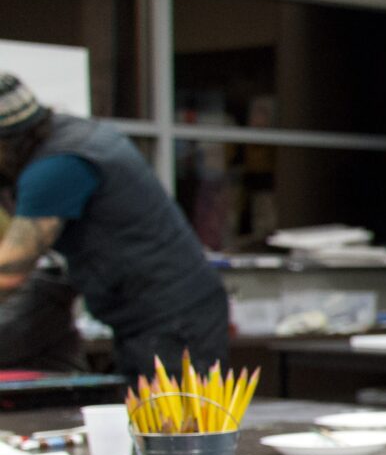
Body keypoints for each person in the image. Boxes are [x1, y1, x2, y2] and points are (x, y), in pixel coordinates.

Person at [0, 73, 229, 378]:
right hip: (150, 313)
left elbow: (10, 270)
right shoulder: (65, 137)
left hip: (173, 318)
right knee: (146, 417)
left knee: (178, 421)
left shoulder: (57, 166)